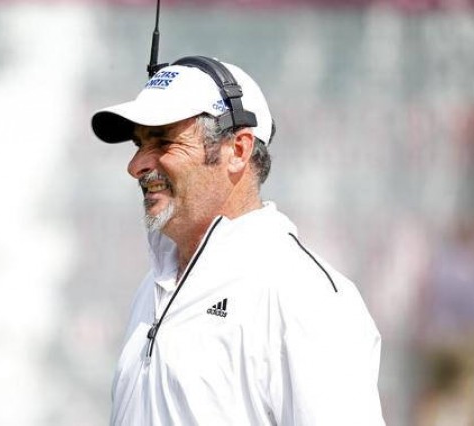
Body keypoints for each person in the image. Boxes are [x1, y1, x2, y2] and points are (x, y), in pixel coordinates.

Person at [91, 57, 385, 425]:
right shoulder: (154, 284)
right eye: (138, 144)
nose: (135, 166)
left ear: (238, 150)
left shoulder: (303, 294)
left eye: (164, 141)